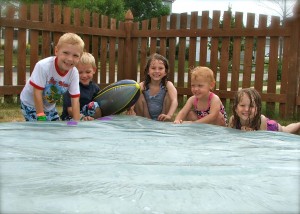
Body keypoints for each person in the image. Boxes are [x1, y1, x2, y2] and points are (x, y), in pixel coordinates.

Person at [20, 32, 84, 121]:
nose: (70, 59)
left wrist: (76, 121)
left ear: (79, 57)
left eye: (75, 55)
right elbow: (37, 92)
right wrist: (41, 116)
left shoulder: (74, 73)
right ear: (56, 51)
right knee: (41, 130)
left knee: (55, 130)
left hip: (49, 107)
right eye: (66, 53)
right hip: (30, 104)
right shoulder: (43, 66)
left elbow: (75, 99)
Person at [127, 53, 178, 121]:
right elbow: (132, 99)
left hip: (162, 117)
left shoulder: (168, 85)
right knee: (138, 94)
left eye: (160, 68)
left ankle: (165, 119)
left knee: (169, 95)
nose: (157, 71)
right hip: (145, 118)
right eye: (153, 68)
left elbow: (175, 101)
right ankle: (141, 120)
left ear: (165, 72)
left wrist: (169, 115)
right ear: (148, 71)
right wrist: (131, 110)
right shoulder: (143, 85)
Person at [228, 88, 300, 134]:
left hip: (270, 128)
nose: (246, 109)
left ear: (258, 108)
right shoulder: (233, 119)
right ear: (235, 108)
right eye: (242, 105)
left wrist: (251, 133)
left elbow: (262, 139)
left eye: (251, 106)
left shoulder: (261, 119)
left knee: (285, 130)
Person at [61, 52, 102, 121]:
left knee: (95, 105)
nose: (84, 76)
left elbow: (100, 106)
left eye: (88, 72)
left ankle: (96, 122)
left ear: (94, 70)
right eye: (80, 72)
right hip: (70, 117)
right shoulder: (71, 87)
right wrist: (81, 117)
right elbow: (70, 109)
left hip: (88, 116)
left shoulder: (95, 88)